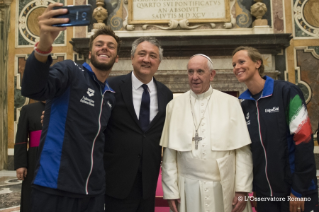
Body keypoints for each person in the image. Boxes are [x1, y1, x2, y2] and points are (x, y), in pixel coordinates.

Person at [21, 3, 120, 212]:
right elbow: (34, 88)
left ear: (116, 57)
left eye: (111, 46)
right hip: (54, 187)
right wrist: (44, 45)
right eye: (99, 44)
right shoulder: (70, 71)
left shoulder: (110, 95)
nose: (105, 48)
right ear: (90, 53)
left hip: (92, 192)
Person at [160, 54, 253, 212]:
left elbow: (242, 151)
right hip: (187, 188)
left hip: (225, 187)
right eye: (190, 72)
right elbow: (170, 153)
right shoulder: (174, 106)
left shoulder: (231, 103)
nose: (194, 77)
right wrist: (170, 190)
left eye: (200, 71)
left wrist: (242, 189)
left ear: (212, 75)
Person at [232, 46, 318, 212]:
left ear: (258, 63)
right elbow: (252, 151)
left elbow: (304, 140)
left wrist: (298, 190)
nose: (237, 67)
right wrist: (256, 189)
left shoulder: (287, 92)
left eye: (241, 62)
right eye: (234, 64)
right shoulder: (244, 104)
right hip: (265, 195)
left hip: (295, 191)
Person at [103, 37, 173, 212]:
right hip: (116, 180)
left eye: (153, 56)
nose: (147, 59)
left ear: (159, 62)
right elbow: (94, 123)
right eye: (142, 54)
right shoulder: (110, 86)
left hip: (148, 183)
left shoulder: (166, 94)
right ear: (132, 58)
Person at [14, 101, 45, 212]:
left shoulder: (61, 107)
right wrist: (20, 164)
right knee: (30, 193)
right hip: (34, 158)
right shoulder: (28, 109)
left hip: (57, 156)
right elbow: (20, 139)